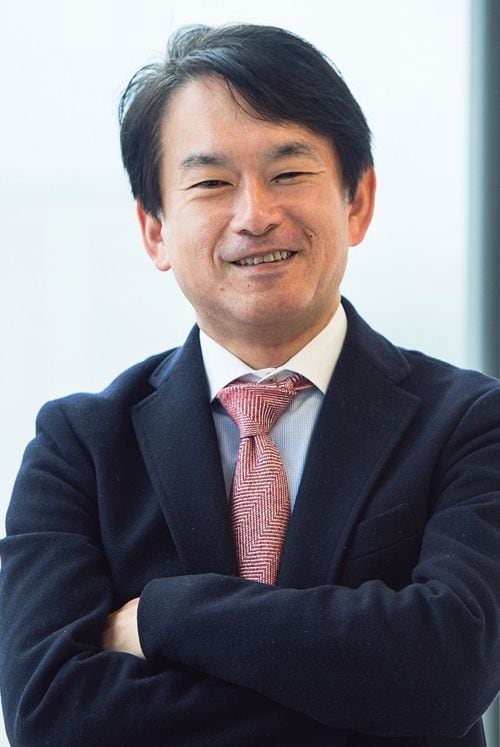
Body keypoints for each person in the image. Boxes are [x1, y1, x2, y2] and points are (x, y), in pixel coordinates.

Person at [1, 23, 499, 747]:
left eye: (288, 173)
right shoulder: (77, 448)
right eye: (211, 183)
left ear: (357, 201)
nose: (255, 215)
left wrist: (164, 615)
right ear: (155, 230)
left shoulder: (471, 424)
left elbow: (447, 671)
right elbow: (51, 716)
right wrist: (369, 694)